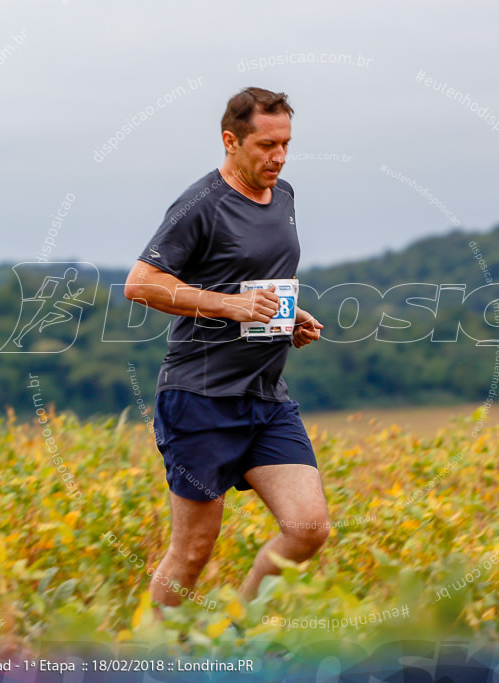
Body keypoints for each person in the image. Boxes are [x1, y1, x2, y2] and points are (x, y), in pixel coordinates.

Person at [124, 87, 330, 610]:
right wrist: (230, 307)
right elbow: (141, 284)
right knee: (192, 551)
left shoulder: (283, 196)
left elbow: (257, 280)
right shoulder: (201, 204)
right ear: (230, 141)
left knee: (308, 528)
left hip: (265, 397)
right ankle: (151, 657)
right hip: (201, 397)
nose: (278, 156)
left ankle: (241, 628)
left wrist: (287, 319)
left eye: (285, 144)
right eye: (265, 145)